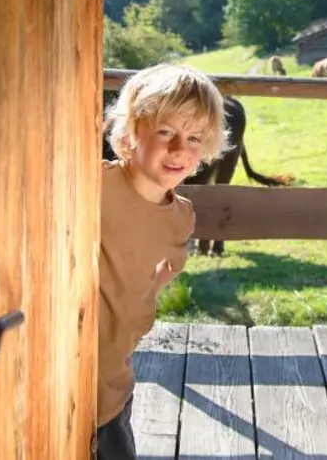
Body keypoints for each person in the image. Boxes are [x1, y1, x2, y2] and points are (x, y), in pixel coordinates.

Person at [95, 64, 228, 459]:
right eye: (165, 132)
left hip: (113, 385)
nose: (178, 150)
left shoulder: (181, 217)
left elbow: (159, 276)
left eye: (193, 138)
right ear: (134, 130)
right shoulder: (92, 185)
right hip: (59, 375)